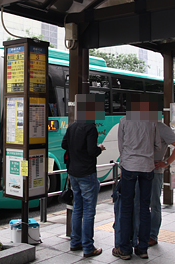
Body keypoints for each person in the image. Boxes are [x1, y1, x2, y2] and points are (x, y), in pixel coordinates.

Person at [116, 93, 160, 260]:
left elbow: (121, 146)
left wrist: (127, 159)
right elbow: (156, 144)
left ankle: (125, 249)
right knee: (145, 208)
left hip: (129, 167)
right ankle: (142, 249)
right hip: (147, 167)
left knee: (126, 207)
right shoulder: (152, 121)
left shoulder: (124, 121)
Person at [61, 94, 106, 258]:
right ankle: (88, 247)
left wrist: (74, 149)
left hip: (73, 172)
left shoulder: (72, 126)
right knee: (89, 211)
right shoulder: (90, 127)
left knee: (78, 207)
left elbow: (64, 144)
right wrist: (100, 148)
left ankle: (75, 242)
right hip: (87, 173)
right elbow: (91, 151)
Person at [132, 121, 175, 248]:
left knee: (154, 203)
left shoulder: (161, 127)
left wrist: (166, 162)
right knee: (137, 202)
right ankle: (139, 233)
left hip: (155, 171)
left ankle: (152, 235)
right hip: (140, 169)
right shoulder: (141, 125)